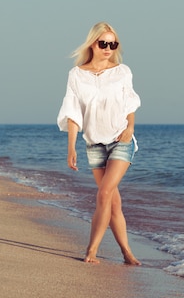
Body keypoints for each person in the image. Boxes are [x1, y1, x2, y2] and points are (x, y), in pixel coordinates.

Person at [57, 22, 142, 265]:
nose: (108, 48)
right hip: (94, 145)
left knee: (104, 193)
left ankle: (91, 250)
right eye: (103, 43)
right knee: (112, 202)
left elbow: (130, 104)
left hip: (120, 141)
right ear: (92, 44)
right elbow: (73, 113)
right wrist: (71, 147)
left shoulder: (122, 72)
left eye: (112, 44)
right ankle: (127, 252)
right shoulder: (76, 75)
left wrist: (130, 128)